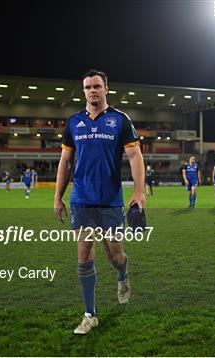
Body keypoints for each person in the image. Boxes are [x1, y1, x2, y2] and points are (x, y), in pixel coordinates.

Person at [53, 69, 145, 335]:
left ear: (106, 89)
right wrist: (58, 197)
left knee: (114, 255)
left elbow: (135, 156)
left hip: (110, 201)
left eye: (96, 86)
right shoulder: (73, 122)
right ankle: (90, 314)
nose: (92, 90)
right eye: (87, 87)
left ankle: (122, 275)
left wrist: (139, 191)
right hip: (81, 198)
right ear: (83, 91)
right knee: (83, 255)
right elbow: (66, 162)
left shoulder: (119, 120)